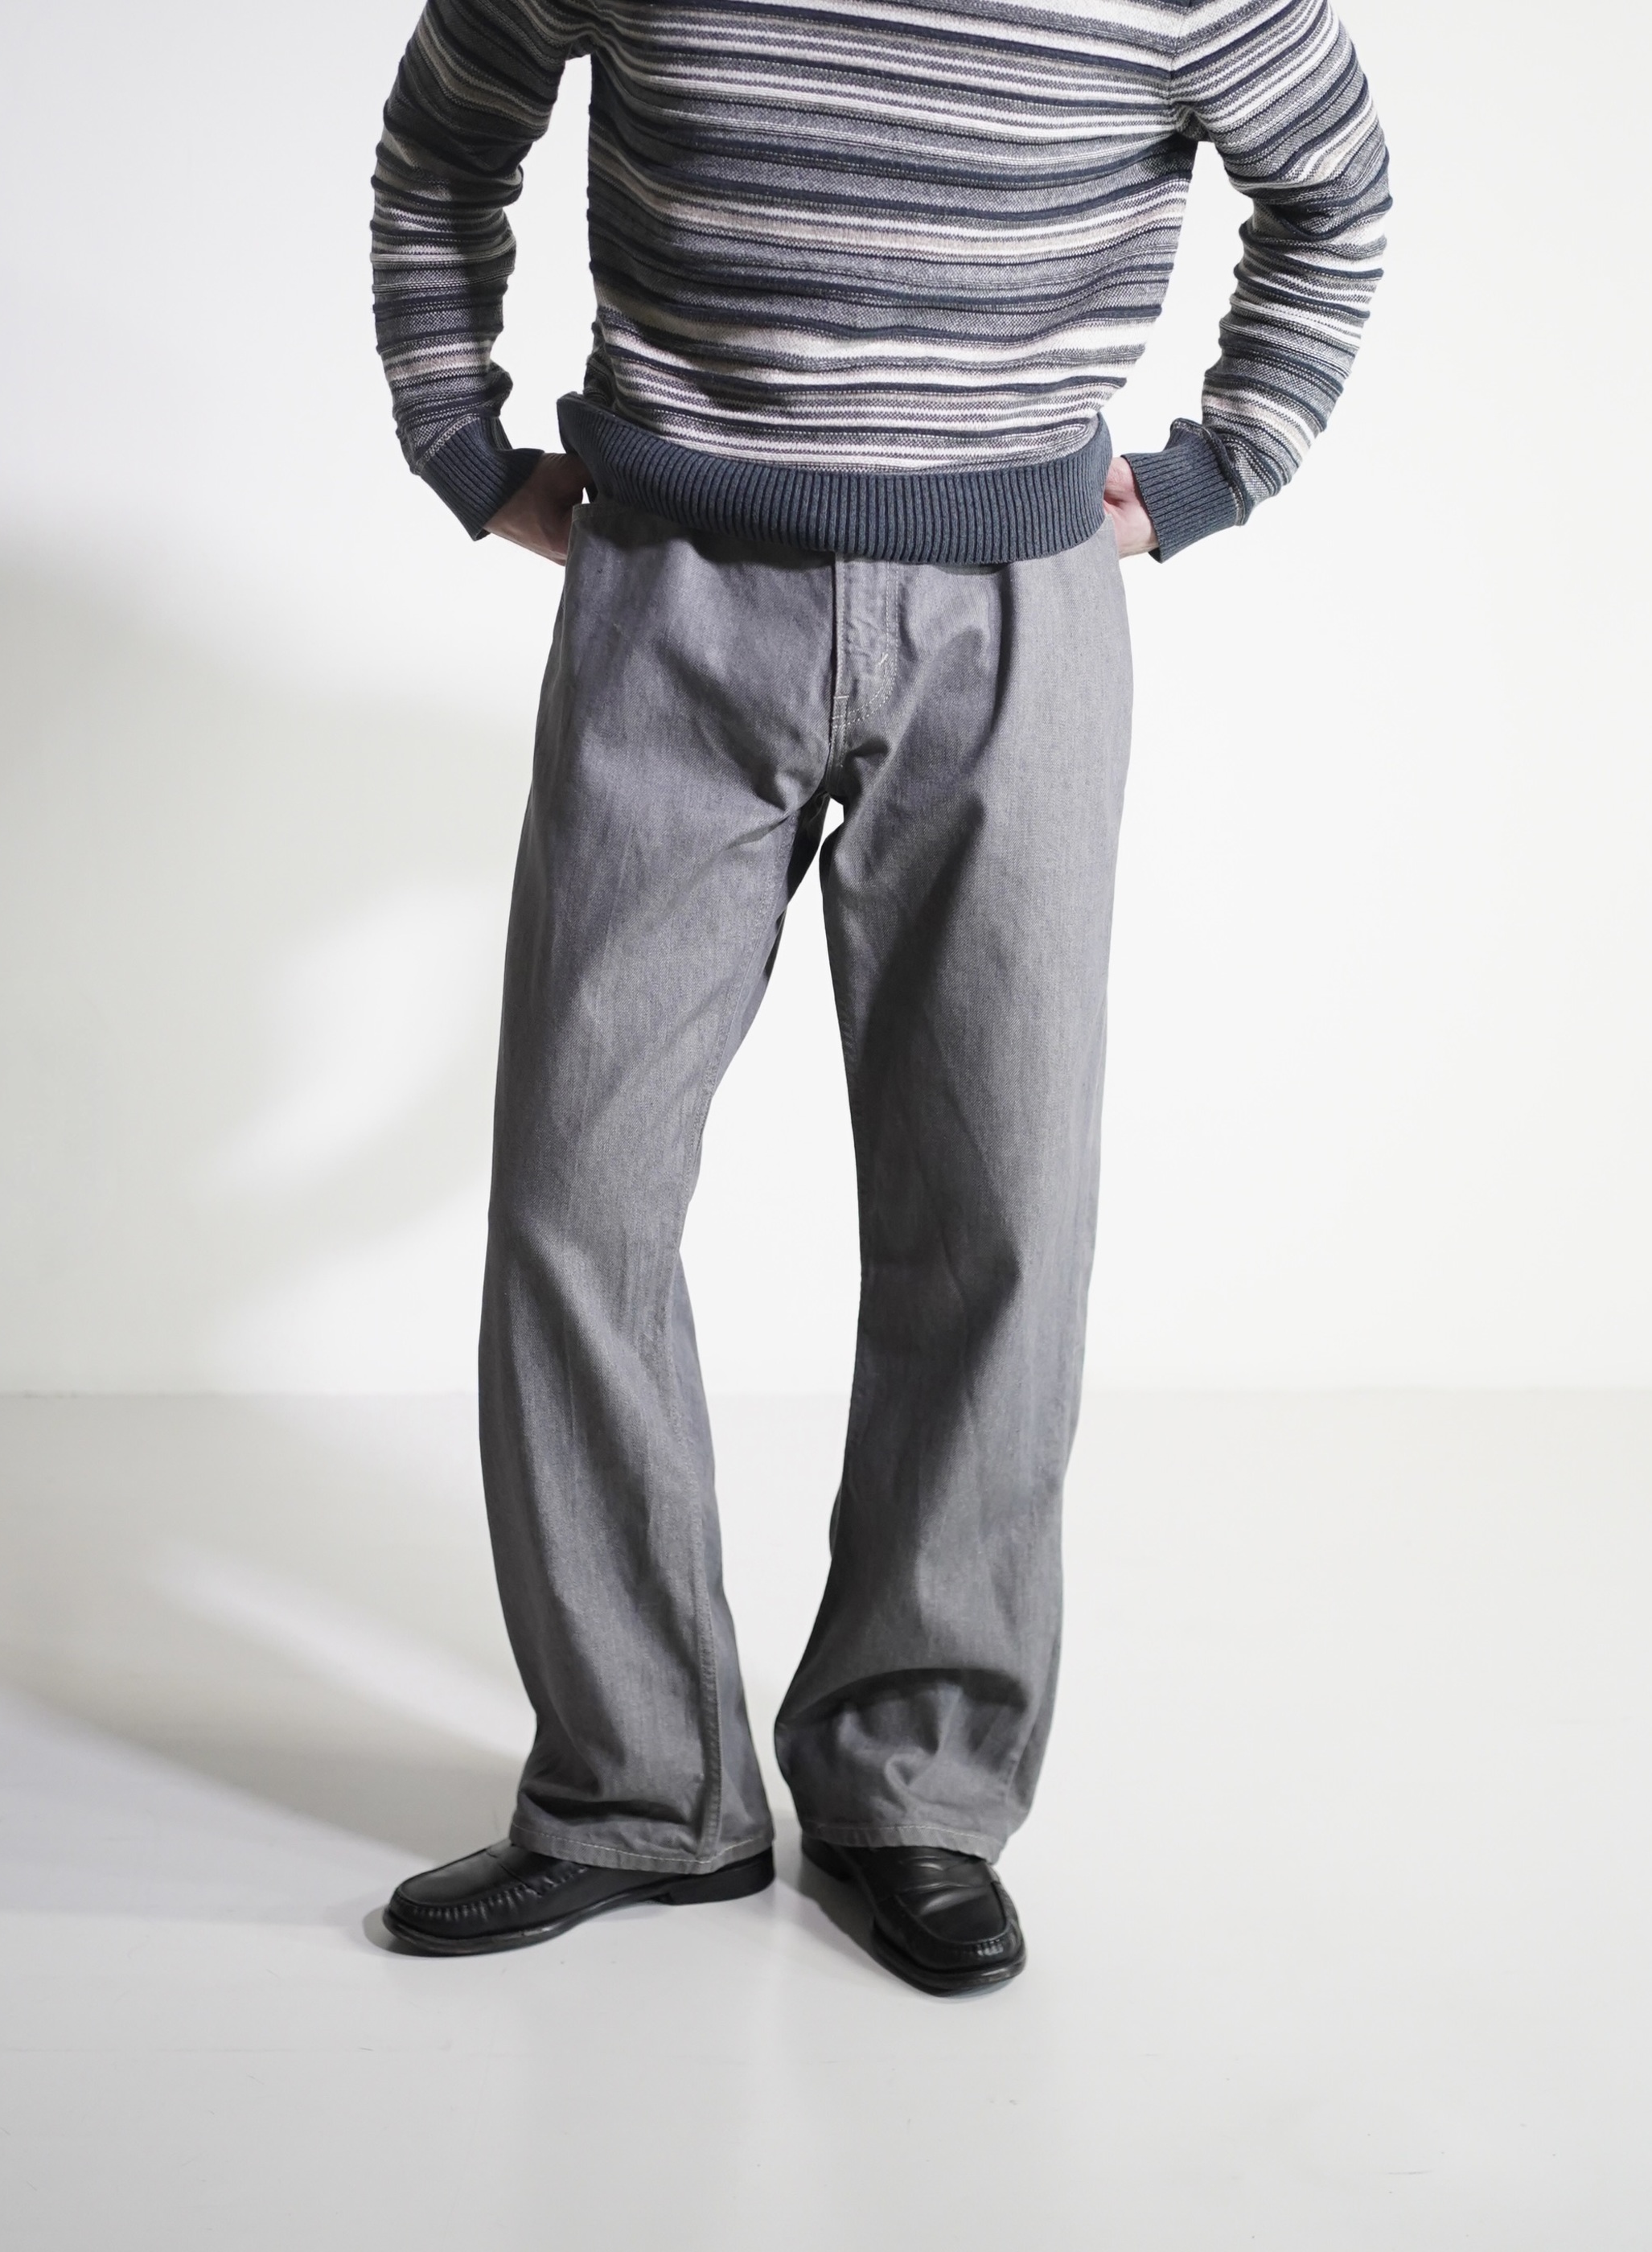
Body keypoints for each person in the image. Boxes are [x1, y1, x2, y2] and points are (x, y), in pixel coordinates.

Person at [372, 0, 1388, 1994]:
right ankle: (639, 1791)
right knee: (576, 1196)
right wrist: (459, 441)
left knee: (993, 1209)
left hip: (1015, 617)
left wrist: (1222, 466)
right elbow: (443, 141)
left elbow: (1335, 195)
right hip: (675, 591)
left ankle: (911, 1787)